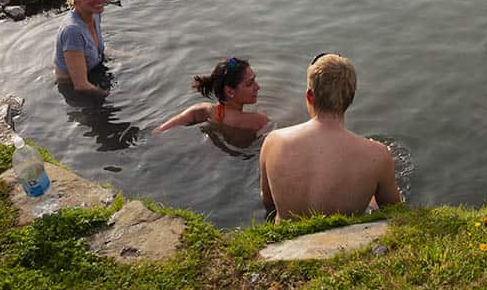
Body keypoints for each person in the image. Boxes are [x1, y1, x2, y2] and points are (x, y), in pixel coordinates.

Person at [259, 54, 401, 221]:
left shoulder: (274, 141)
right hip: (345, 242)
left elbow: (267, 199)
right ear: (351, 98)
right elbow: (394, 210)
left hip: (286, 237)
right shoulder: (378, 154)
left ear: (310, 96)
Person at [153, 57, 268, 136]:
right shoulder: (259, 121)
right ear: (230, 92)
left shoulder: (201, 111)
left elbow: (157, 132)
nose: (257, 87)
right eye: (250, 83)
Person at [53, 0, 109, 96]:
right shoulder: (73, 31)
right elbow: (81, 85)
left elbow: (92, 49)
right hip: (72, 89)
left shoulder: (94, 14)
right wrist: (117, 97)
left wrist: (132, 56)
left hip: (94, 73)